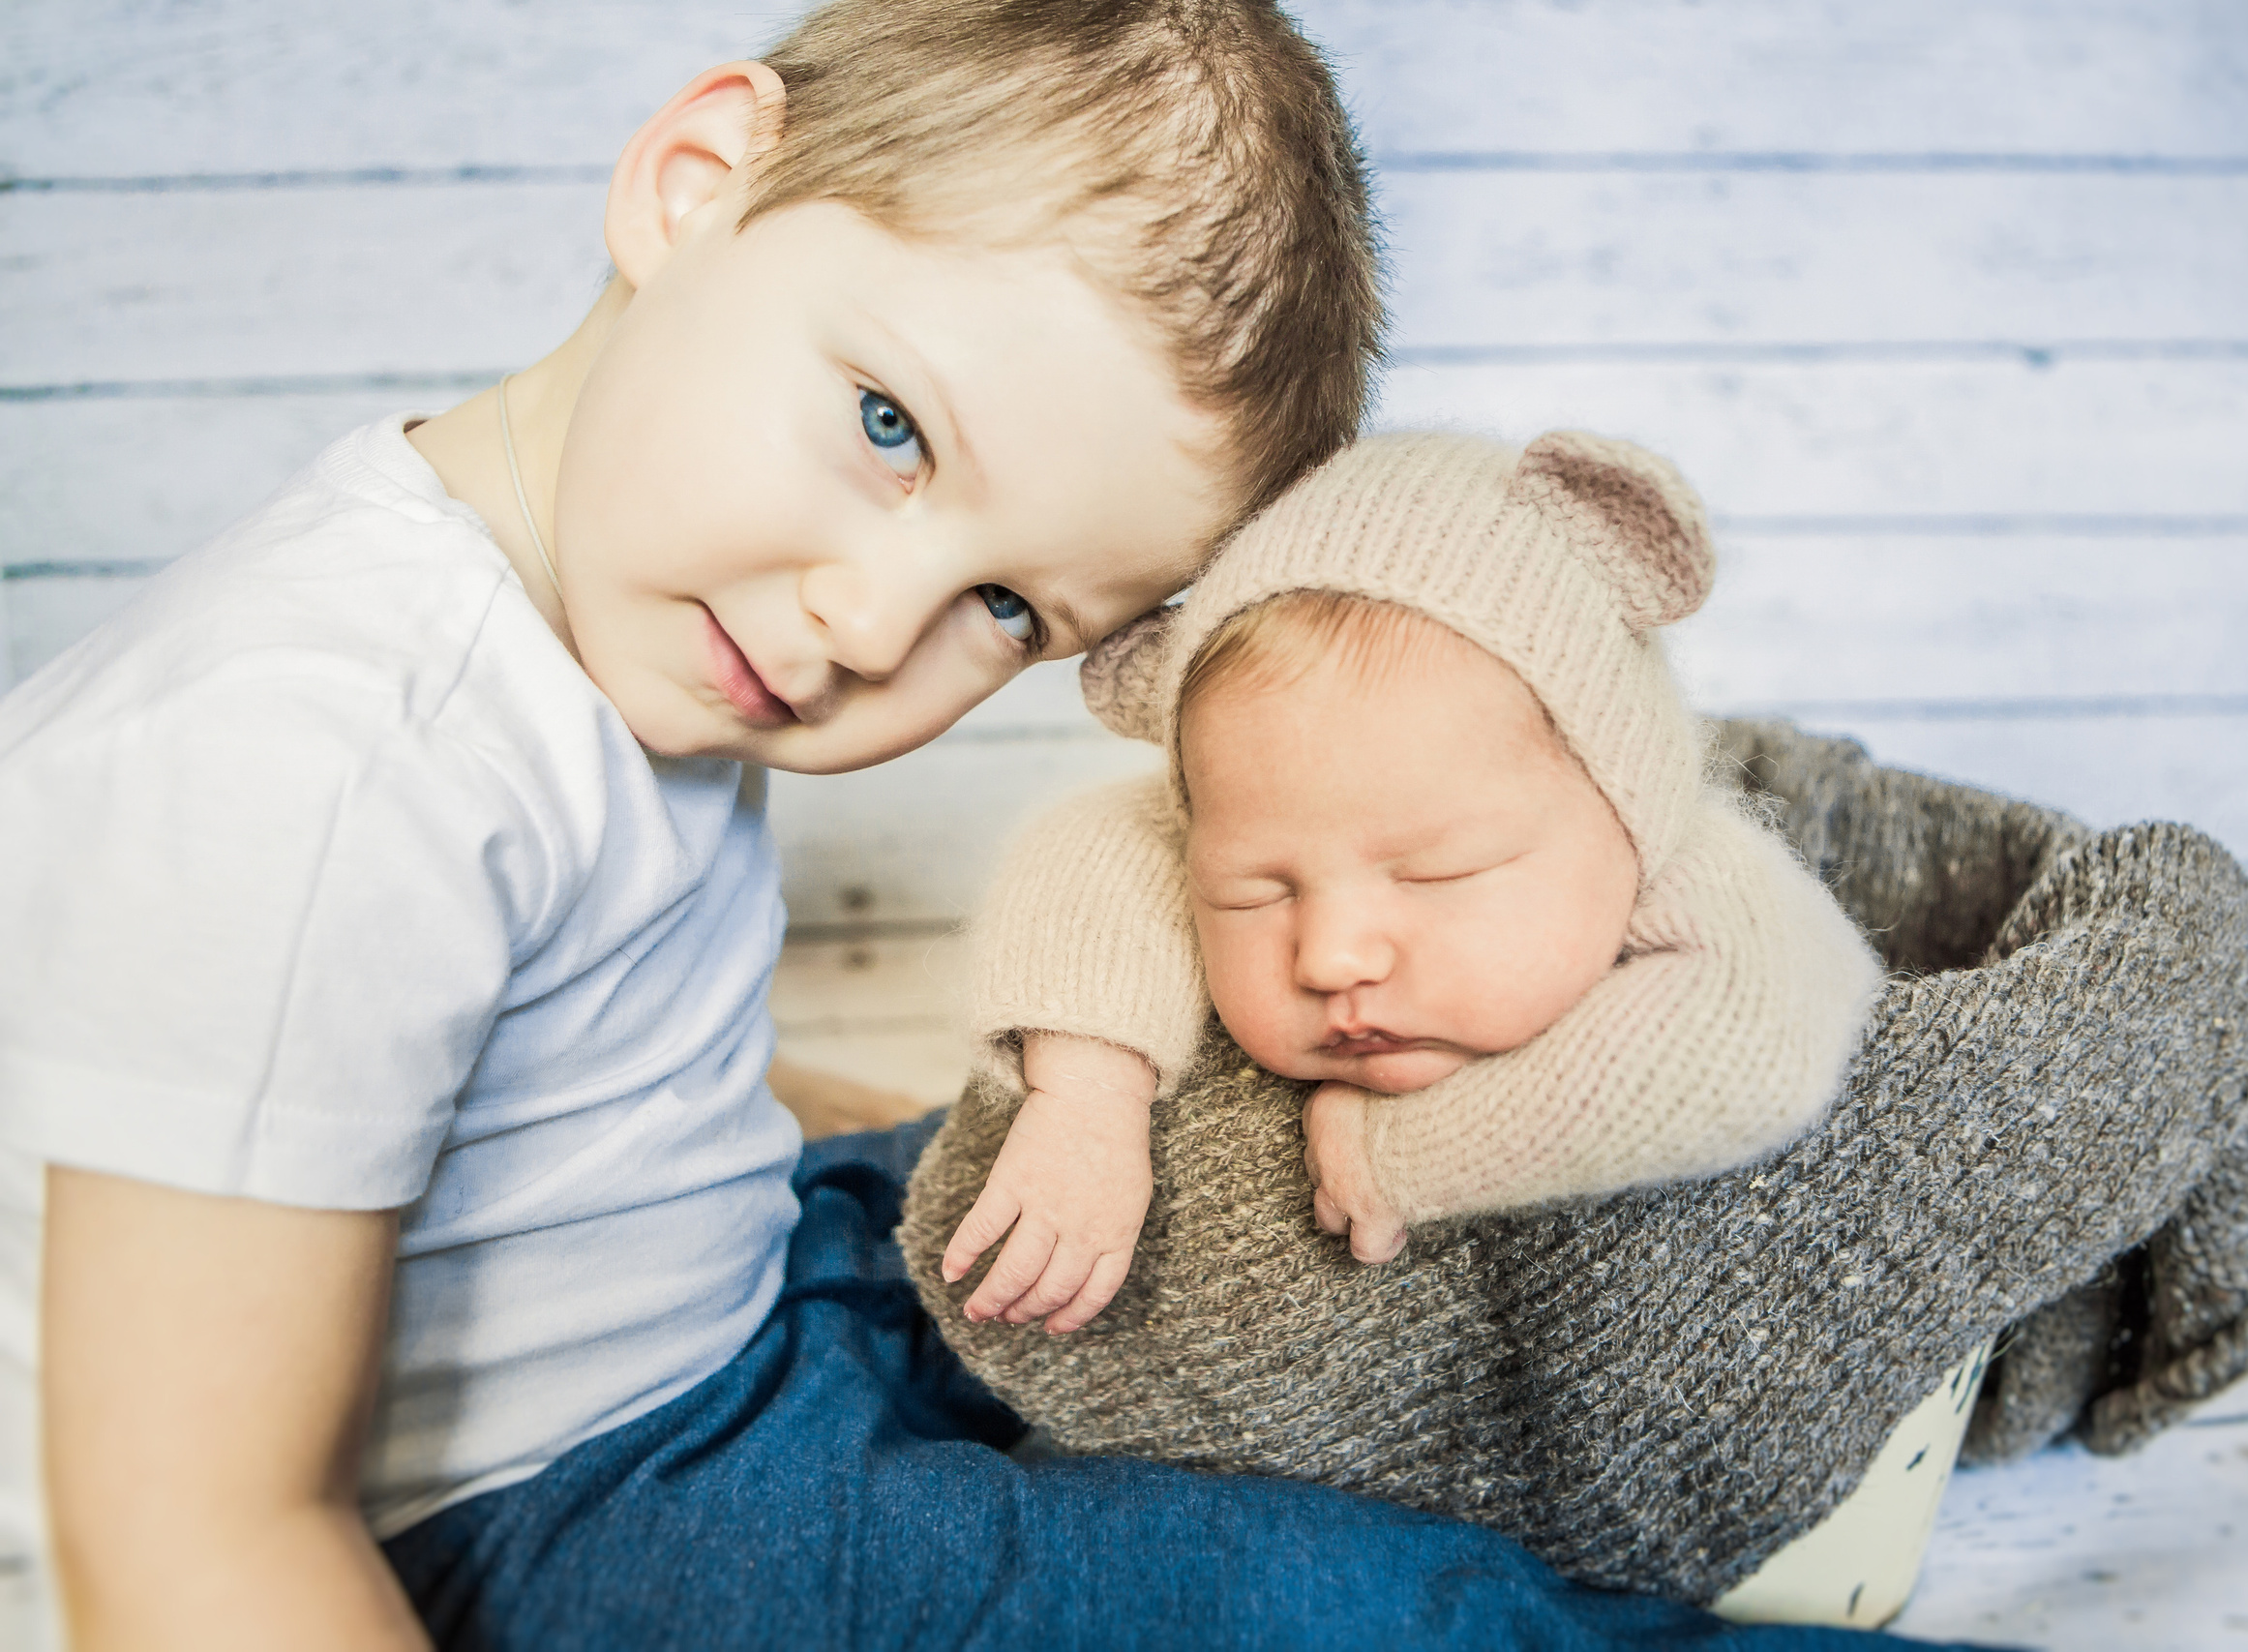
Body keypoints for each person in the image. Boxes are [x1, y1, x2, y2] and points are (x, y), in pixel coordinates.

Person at [0, 5, 1963, 1647]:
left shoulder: (614, 599)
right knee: (1341, 1605)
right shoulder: (321, 758)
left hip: (713, 1300)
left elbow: (534, 1065)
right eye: (889, 427)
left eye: (1009, 606)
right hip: (550, 1506)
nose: (872, 626)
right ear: (697, 185)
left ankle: (1624, 1364)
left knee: (1117, 1198)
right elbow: (197, 1538)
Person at [934, 428, 1884, 1335]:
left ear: (1629, 816)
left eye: (1436, 873)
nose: (1331, 957)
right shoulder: (1230, 821)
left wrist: (1397, 1153)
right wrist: (1087, 1099)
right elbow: (1106, 842)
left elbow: (1752, 1045)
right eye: (1256, 893)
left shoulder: (1695, 869)